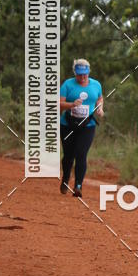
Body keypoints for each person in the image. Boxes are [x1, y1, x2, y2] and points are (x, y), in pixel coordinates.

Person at [59, 58, 103, 197]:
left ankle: (78, 186)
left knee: (81, 154)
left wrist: (100, 108)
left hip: (87, 125)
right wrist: (72, 105)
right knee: (68, 156)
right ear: (75, 72)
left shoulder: (96, 85)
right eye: (79, 74)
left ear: (89, 72)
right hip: (68, 125)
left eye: (85, 74)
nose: (82, 77)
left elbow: (100, 98)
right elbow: (59, 104)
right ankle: (66, 177)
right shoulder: (68, 84)